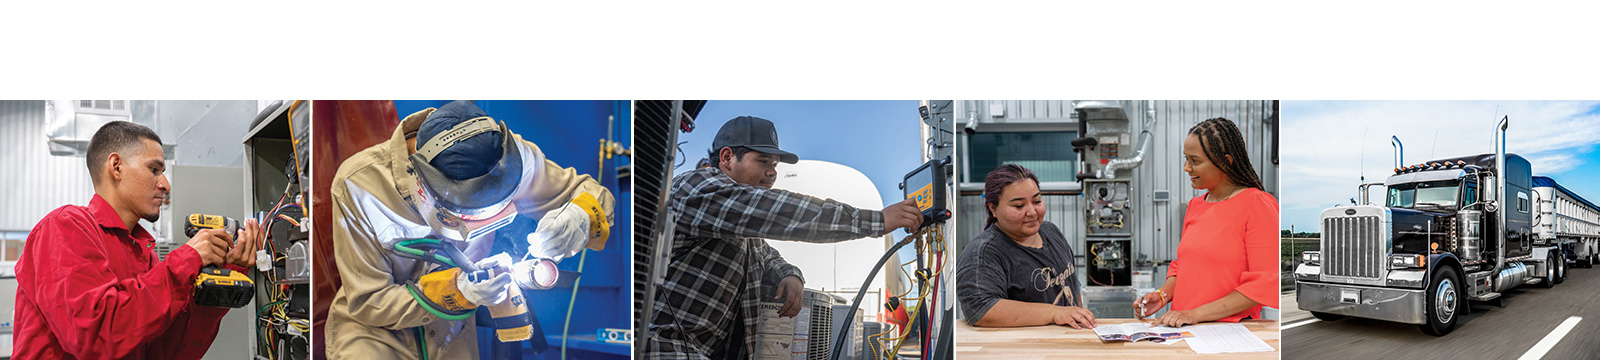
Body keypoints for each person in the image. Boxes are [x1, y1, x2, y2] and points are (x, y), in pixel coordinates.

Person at [326, 101, 615, 359]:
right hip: (376, 336)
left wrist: (580, 217)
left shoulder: (509, 158)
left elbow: (588, 193)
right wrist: (458, 290)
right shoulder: (359, 186)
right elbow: (370, 301)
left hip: (452, 336)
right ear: (422, 185)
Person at [645, 116, 925, 359]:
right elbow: (779, 211)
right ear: (727, 158)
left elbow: (764, 253)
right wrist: (877, 220)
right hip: (666, 347)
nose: (772, 173)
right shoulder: (698, 187)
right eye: (763, 161)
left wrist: (791, 274)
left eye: (775, 165)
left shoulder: (739, 226)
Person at [14, 121, 263, 359]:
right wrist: (188, 258)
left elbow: (169, 352)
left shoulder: (145, 254)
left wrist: (223, 279)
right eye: (154, 169)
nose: (165, 185)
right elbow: (96, 336)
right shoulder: (64, 228)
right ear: (116, 167)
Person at [1136, 117, 1279, 327]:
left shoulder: (1257, 204)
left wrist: (1194, 314)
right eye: (1185, 159)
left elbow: (1264, 284)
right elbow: (1183, 267)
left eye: (1195, 161)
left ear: (1226, 161)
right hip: (1184, 330)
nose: (1186, 168)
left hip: (1231, 333)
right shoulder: (1195, 205)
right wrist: (1163, 295)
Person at [956, 164, 1097, 329]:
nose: (1032, 212)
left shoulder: (1051, 231)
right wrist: (1054, 313)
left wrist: (1077, 314)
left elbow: (1071, 285)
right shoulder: (983, 253)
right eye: (1018, 206)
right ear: (993, 208)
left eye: (1037, 201)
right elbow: (982, 309)